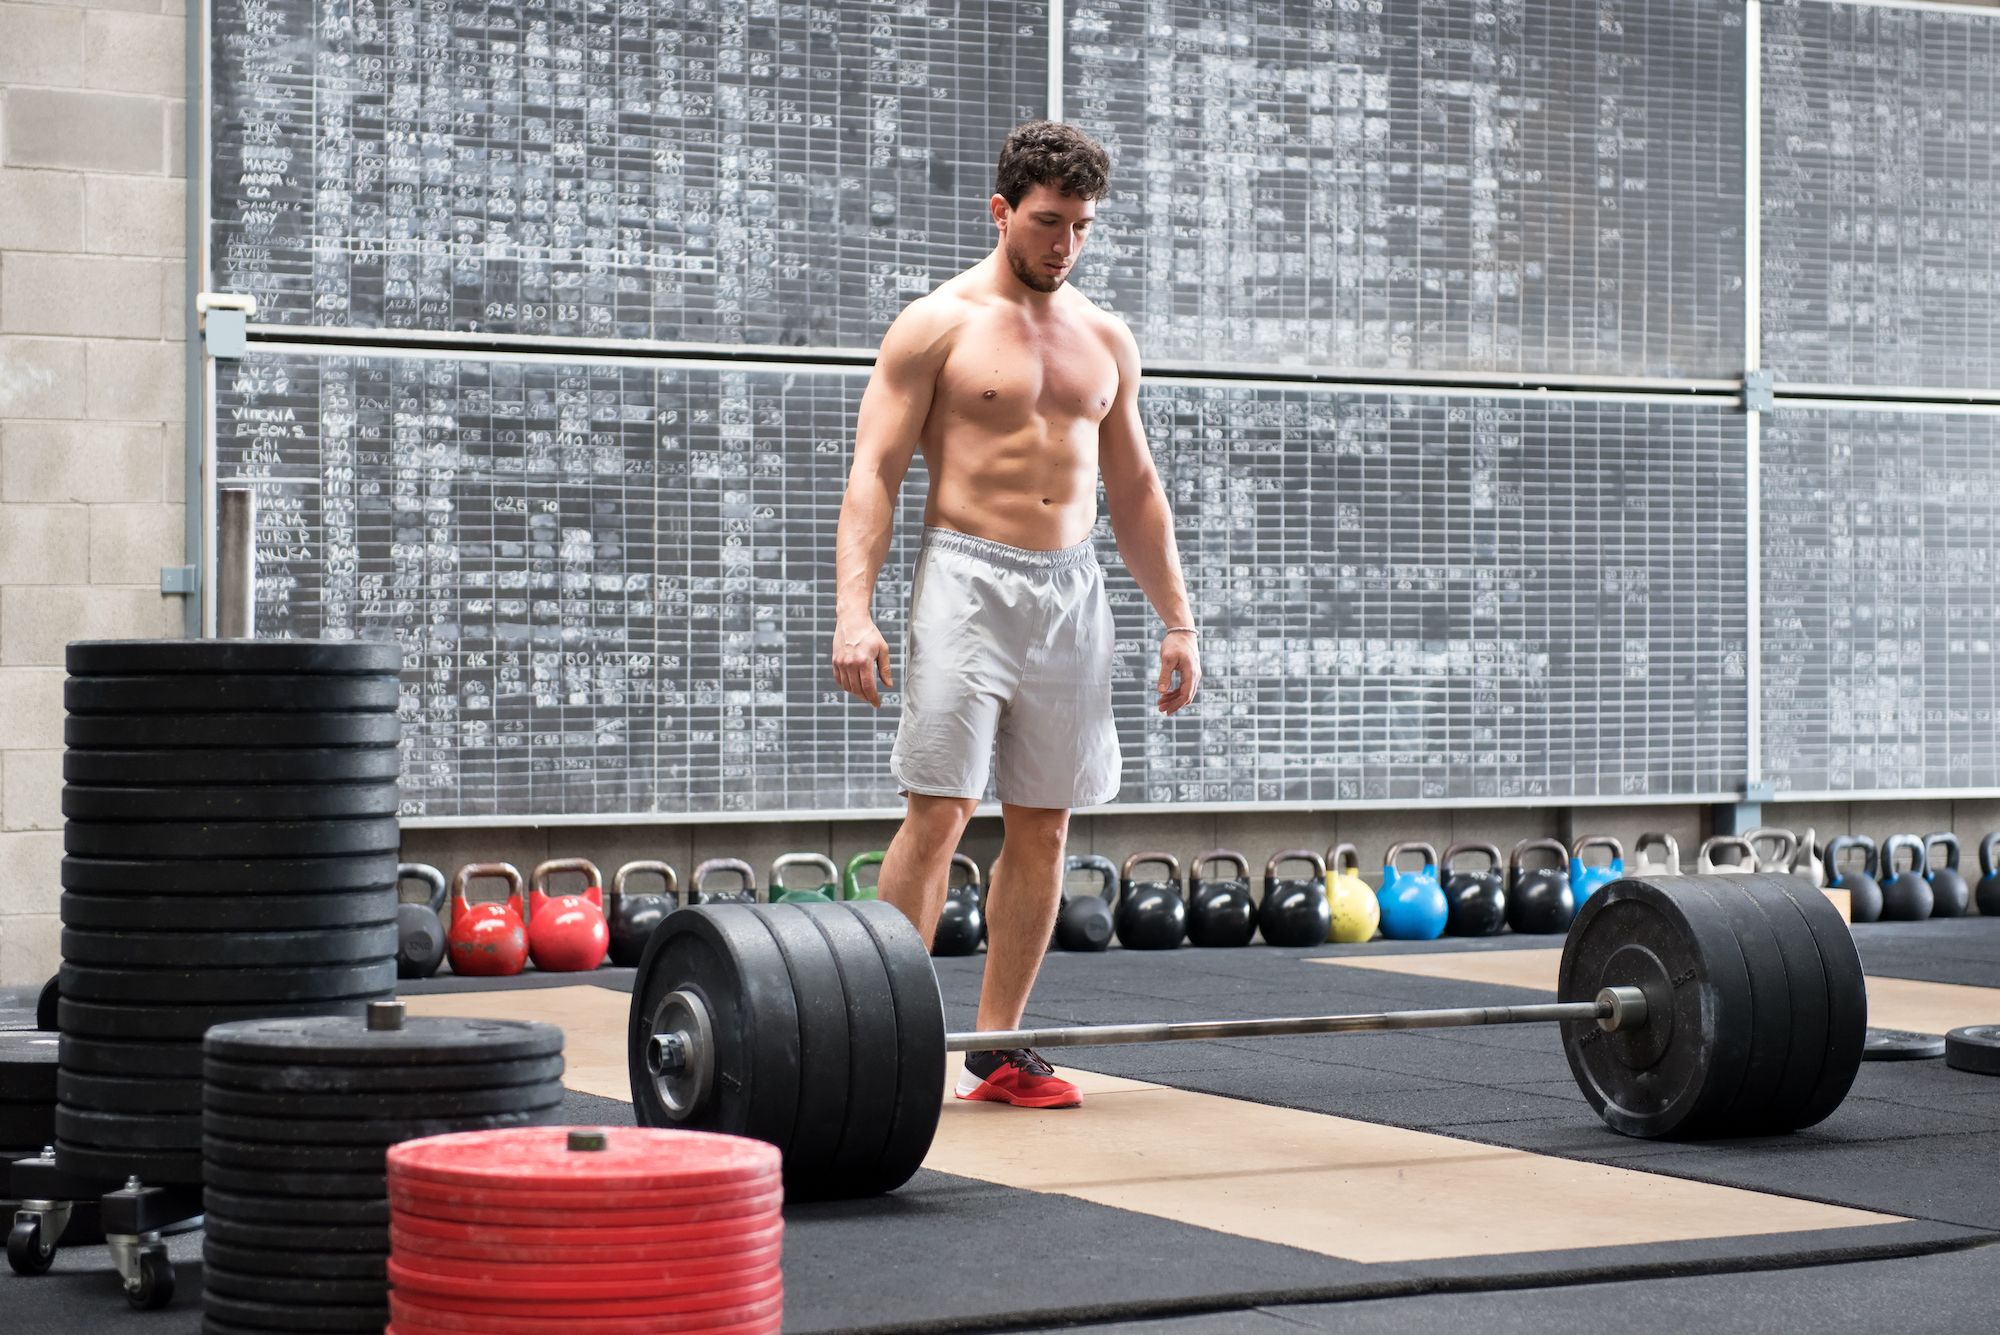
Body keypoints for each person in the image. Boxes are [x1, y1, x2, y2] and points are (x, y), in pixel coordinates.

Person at [831, 121, 1201, 1109]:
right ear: (1001, 211)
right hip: (966, 576)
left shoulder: (1105, 337)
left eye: (1080, 227)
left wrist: (1177, 620)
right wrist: (851, 613)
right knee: (941, 809)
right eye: (1046, 222)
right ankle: (886, 1039)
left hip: (1070, 588)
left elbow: (1135, 487)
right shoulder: (935, 324)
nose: (1063, 245)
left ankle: (999, 1049)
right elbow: (874, 472)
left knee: (1044, 823)